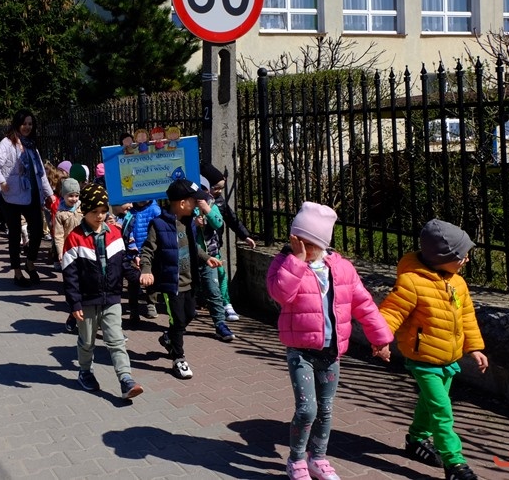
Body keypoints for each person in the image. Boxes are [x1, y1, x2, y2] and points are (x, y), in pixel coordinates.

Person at [267, 201, 394, 480]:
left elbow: (364, 304)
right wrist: (296, 261)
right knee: (307, 409)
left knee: (325, 410)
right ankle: (296, 460)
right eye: (297, 241)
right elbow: (280, 294)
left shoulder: (342, 268)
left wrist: (380, 338)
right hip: (300, 351)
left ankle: (318, 458)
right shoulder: (285, 263)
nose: (302, 247)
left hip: (331, 351)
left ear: (322, 243)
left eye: (308, 243)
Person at [378, 219, 487, 480]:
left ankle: (416, 439)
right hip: (423, 359)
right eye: (462, 255)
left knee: (429, 405)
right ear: (443, 257)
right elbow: (391, 313)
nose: (467, 259)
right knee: (442, 411)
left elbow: (467, 317)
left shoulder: (458, 283)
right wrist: (380, 339)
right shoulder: (412, 282)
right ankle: (455, 463)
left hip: (448, 358)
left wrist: (475, 347)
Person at [62, 182, 144, 400]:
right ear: (84, 211)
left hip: (112, 298)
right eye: (94, 212)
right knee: (87, 341)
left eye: (103, 211)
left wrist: (139, 277)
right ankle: (85, 371)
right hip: (87, 300)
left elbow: (124, 264)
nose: (99, 216)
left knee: (116, 340)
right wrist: (74, 303)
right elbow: (70, 275)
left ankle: (126, 379)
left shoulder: (115, 233)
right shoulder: (75, 238)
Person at [139, 179, 225, 380]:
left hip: (190, 281)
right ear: (182, 203)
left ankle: (169, 337)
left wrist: (206, 257)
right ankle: (178, 358)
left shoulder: (189, 223)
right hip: (172, 284)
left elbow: (194, 247)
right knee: (177, 320)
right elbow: (148, 250)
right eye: (194, 201)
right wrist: (146, 270)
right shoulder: (158, 224)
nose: (197, 204)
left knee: (189, 314)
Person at [0, 109, 56, 287]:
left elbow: (40, 173)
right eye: (24, 123)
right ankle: (17, 272)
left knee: (38, 230)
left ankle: (30, 262)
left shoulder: (31, 145)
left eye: (30, 124)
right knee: (15, 235)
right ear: (17, 124)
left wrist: (49, 194)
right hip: (11, 197)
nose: (27, 127)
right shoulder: (8, 143)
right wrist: (1, 181)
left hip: (31, 194)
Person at [201, 163, 256, 321]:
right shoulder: (196, 201)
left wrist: (245, 236)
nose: (219, 191)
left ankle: (226, 304)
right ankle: (202, 301)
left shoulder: (219, 201)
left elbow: (232, 219)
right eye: (216, 188)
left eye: (221, 188)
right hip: (198, 247)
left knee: (221, 274)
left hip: (214, 246)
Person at [53, 177, 84, 333]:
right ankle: (73, 315)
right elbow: (58, 235)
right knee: (72, 286)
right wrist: (60, 252)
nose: (74, 199)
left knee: (85, 285)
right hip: (69, 252)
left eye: (76, 195)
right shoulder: (60, 214)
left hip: (84, 250)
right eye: (70, 195)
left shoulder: (83, 208)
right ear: (63, 195)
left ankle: (86, 317)